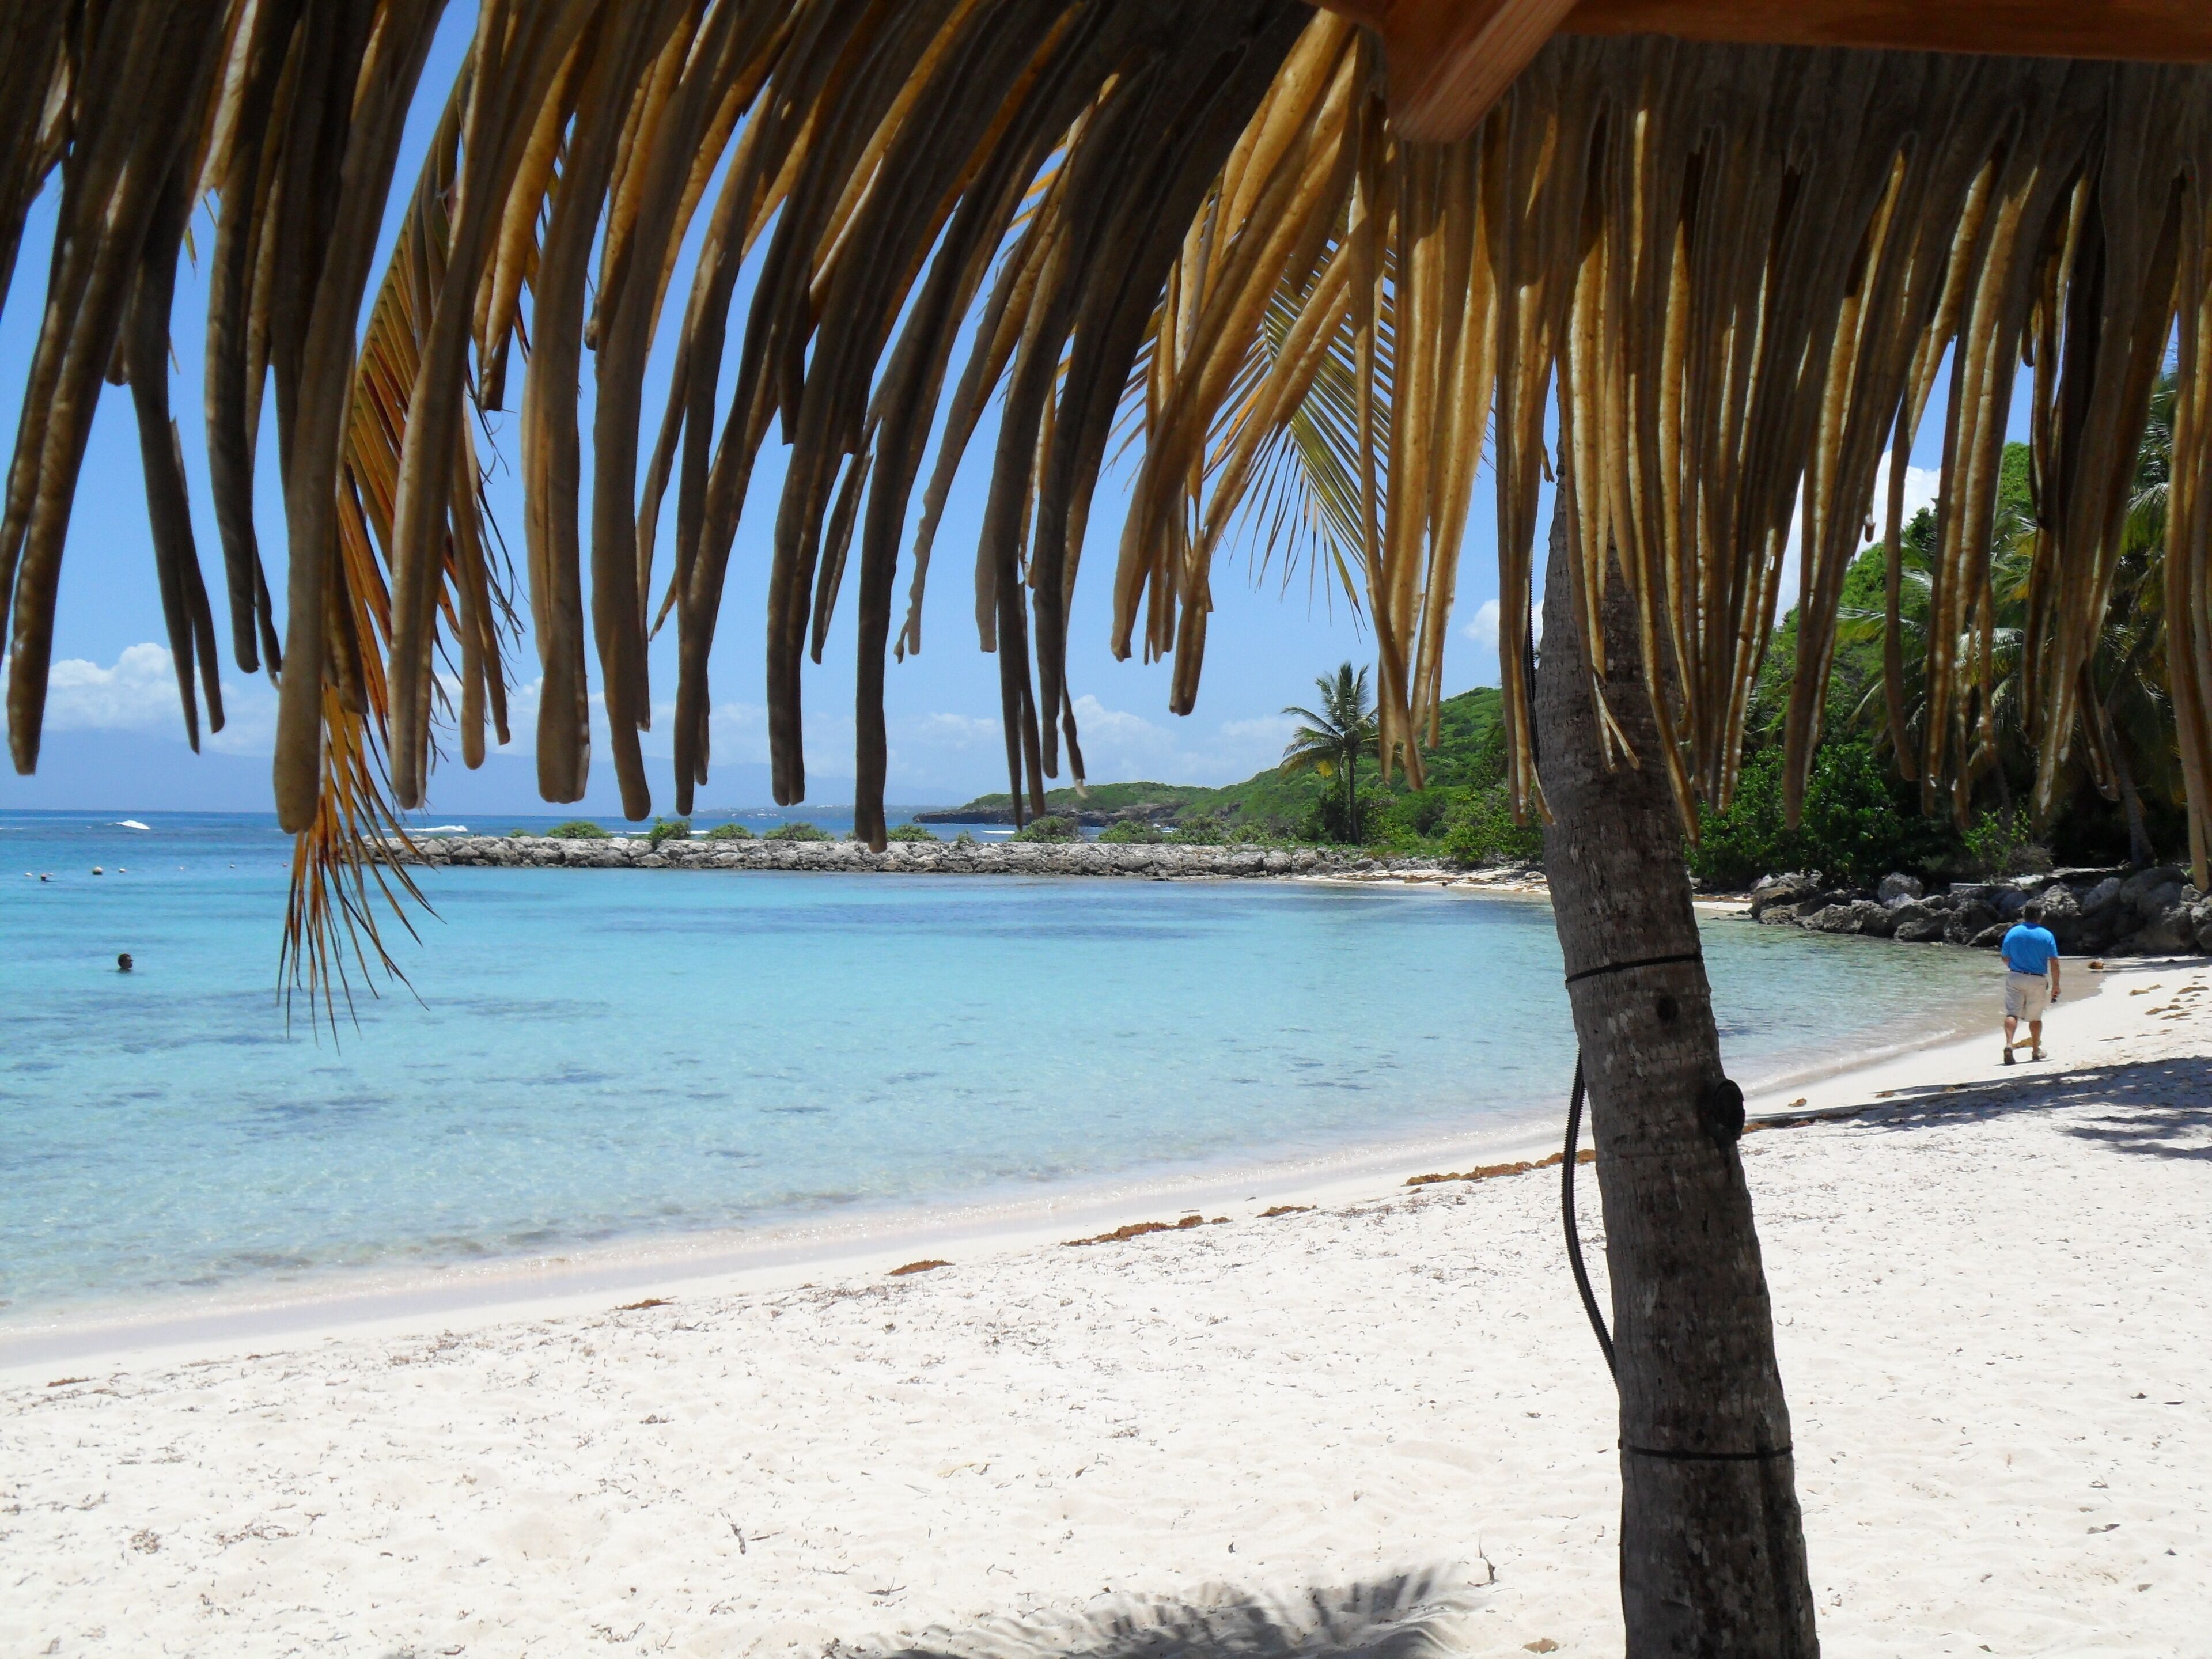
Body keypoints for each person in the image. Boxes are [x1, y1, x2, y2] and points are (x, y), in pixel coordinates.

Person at [2000, 900, 2061, 1064]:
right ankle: (2035, 1051)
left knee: (2012, 1013)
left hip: (2015, 976)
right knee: (2035, 1017)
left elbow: (2005, 957)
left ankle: (2008, 1045)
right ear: (2041, 917)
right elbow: (2054, 961)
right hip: (2036, 979)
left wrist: (2014, 966)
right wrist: (2056, 985)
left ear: (2024, 915)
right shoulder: (2047, 935)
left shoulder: (2013, 932)